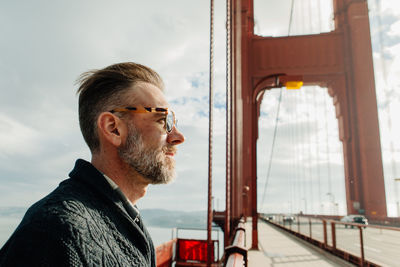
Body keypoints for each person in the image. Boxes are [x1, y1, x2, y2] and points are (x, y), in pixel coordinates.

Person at [0, 62, 185, 266]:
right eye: (163, 120)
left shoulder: (126, 218)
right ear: (113, 129)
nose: (178, 136)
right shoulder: (55, 230)